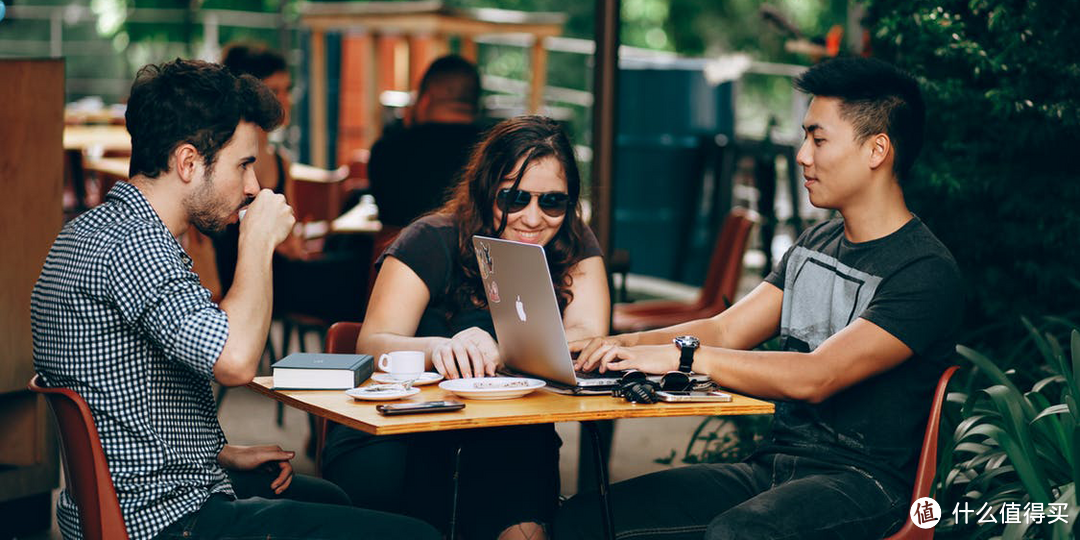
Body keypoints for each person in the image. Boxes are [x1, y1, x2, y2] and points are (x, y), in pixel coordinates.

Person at [30, 58, 439, 540]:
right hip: (164, 521)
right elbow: (236, 361)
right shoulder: (137, 246)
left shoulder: (89, 232)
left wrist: (215, 452)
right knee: (416, 535)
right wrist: (258, 240)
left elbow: (121, 396)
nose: (254, 186)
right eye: (244, 164)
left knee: (328, 498)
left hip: (128, 500)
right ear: (187, 163)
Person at [556, 57, 963, 539]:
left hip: (866, 485)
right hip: (773, 469)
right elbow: (727, 329)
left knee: (739, 534)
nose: (802, 155)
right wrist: (619, 345)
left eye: (818, 138)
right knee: (583, 520)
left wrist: (683, 357)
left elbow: (818, 375)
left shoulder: (923, 270)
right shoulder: (815, 244)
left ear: (877, 150)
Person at [321, 115, 610, 539]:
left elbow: (587, 336)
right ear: (485, 190)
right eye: (513, 198)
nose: (533, 218)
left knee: (518, 456)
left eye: (552, 201)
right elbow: (372, 342)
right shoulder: (431, 238)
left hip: (508, 431)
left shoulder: (571, 241)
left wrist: (502, 349)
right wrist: (443, 347)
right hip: (404, 427)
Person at [368, 54, 488, 228]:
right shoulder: (494, 149)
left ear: (424, 99)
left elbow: (387, 215)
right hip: (471, 253)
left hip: (399, 252)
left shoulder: (387, 149)